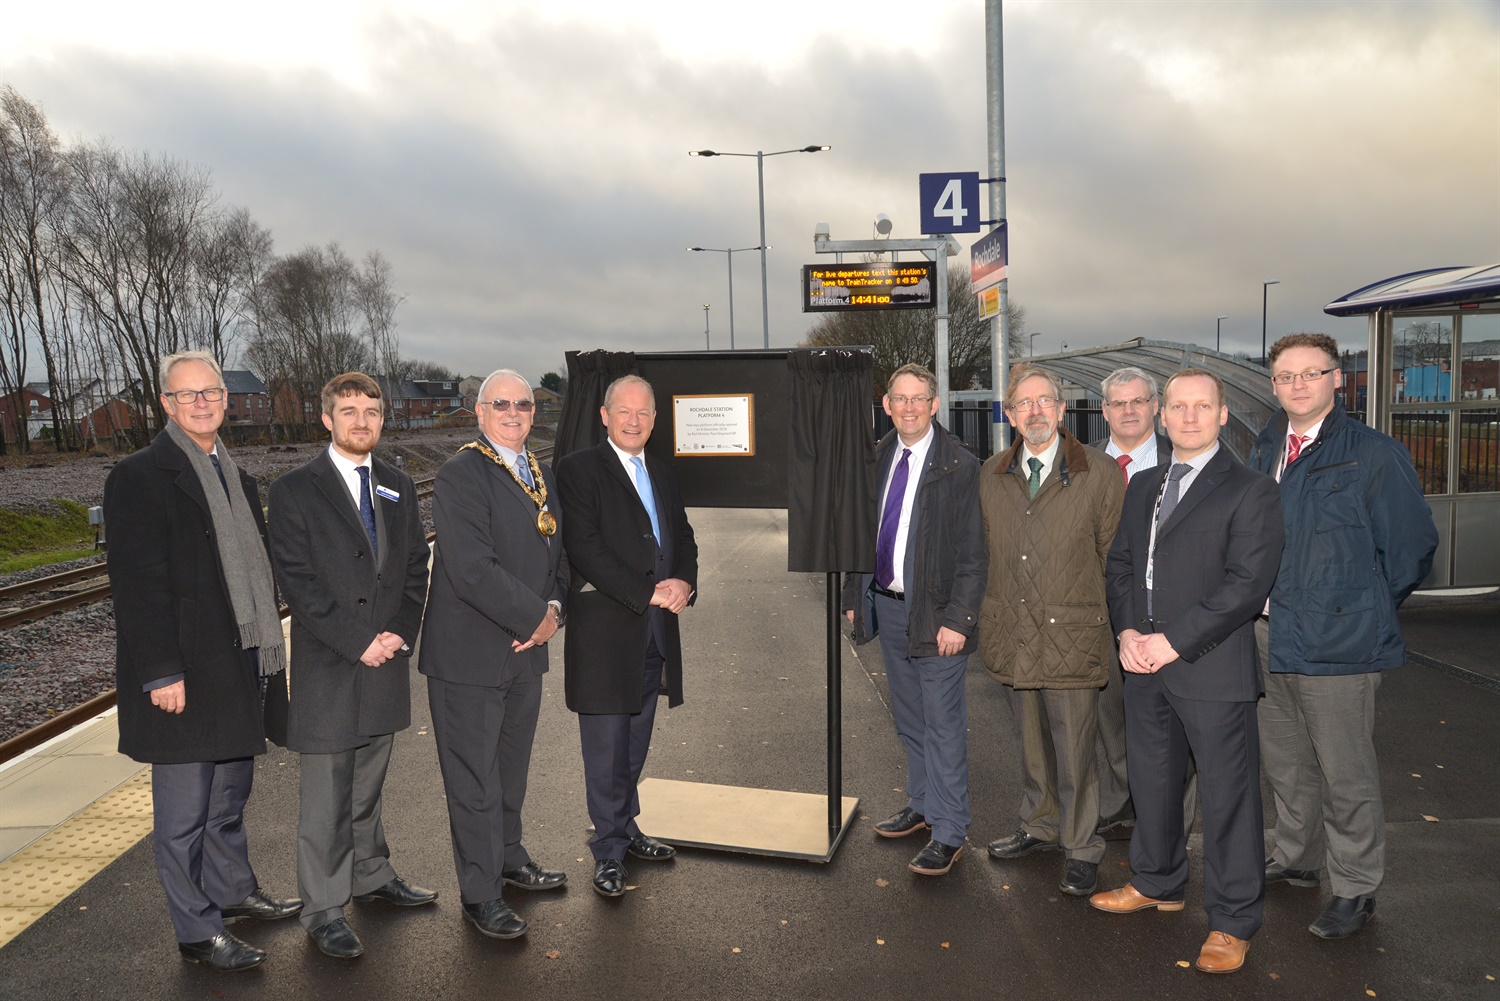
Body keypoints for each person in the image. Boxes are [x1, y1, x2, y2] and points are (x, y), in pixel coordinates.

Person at [104, 350, 300, 972]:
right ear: (165, 404)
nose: (201, 403)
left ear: (225, 398)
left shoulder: (236, 477)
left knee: (229, 794)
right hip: (184, 672)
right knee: (185, 811)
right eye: (186, 395)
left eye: (211, 392)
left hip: (238, 661)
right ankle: (196, 929)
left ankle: (233, 890)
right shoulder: (139, 475)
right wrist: (160, 672)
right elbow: (137, 585)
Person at [1091, 368, 1283, 976]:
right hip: (1142, 664)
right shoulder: (1144, 484)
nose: (1191, 417)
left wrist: (1170, 642)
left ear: (1223, 415)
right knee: (1151, 786)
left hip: (1208, 667)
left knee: (1229, 801)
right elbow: (1120, 565)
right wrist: (1126, 632)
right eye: (1180, 407)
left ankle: (1232, 921)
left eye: (1204, 407)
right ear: (1162, 415)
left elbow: (1246, 586)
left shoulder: (1250, 490)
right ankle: (1156, 882)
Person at [1248, 333, 1437, 940]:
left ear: (1338, 380)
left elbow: (1410, 548)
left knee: (1345, 771)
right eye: (1285, 376)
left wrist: (1362, 608)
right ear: (1273, 385)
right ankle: (1297, 860)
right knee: (1286, 761)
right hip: (1268, 636)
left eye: (1311, 373)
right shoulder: (1265, 445)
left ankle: (1355, 887)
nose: (1297, 385)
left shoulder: (1373, 454)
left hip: (1340, 643)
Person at [267, 372, 437, 960]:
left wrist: (398, 634)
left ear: (383, 418)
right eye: (349, 411)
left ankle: (371, 875)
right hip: (331, 666)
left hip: (385, 660)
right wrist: (359, 640)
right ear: (326, 419)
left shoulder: (396, 484)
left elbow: (416, 565)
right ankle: (322, 908)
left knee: (367, 788)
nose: (361, 421)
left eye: (371, 411)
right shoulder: (294, 490)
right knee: (325, 800)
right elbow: (299, 583)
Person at [420, 369, 569, 940]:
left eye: (524, 404)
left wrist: (554, 610)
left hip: (526, 651)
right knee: (474, 780)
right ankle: (481, 893)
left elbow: (560, 555)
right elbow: (469, 568)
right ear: (479, 412)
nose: (513, 412)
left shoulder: (540, 472)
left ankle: (509, 858)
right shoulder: (461, 473)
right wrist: (535, 618)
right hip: (471, 657)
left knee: (510, 771)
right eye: (500, 403)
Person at [977, 365, 1125, 897]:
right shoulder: (992, 474)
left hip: (1075, 635)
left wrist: (1121, 630)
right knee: (1031, 742)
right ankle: (1039, 825)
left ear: (1062, 411)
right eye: (1024, 403)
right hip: (1015, 631)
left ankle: (1082, 845)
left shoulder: (1101, 474)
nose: (1035, 411)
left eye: (1045, 402)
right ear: (1010, 414)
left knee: (1077, 747)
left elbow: (1114, 559)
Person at [554, 374, 697, 898]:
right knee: (606, 749)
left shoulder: (661, 472)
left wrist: (685, 582)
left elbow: (681, 536)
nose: (634, 421)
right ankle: (609, 849)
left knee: (635, 743)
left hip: (655, 635)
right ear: (605, 416)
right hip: (607, 636)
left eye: (644, 413)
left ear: (655, 419)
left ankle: (627, 827)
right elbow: (585, 548)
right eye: (624, 411)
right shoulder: (577, 470)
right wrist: (650, 592)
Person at [842, 364, 986, 876]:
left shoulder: (961, 467)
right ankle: (923, 805)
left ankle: (949, 830)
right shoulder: (876, 457)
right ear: (887, 405)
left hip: (938, 617)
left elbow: (974, 553)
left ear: (935, 404)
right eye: (899, 399)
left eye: (918, 399)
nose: (908, 407)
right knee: (910, 719)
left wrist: (960, 620)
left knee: (943, 724)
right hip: (889, 607)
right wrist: (856, 595)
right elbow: (862, 534)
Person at [1088, 367, 1199, 837]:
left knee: (1178, 730)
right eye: (1118, 403)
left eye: (1138, 401)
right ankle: (1120, 806)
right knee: (1109, 720)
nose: (1128, 411)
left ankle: (1170, 823)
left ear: (1156, 407)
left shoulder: (1190, 464)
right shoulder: (1083, 465)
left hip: (1172, 626)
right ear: (1104, 411)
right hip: (1099, 618)